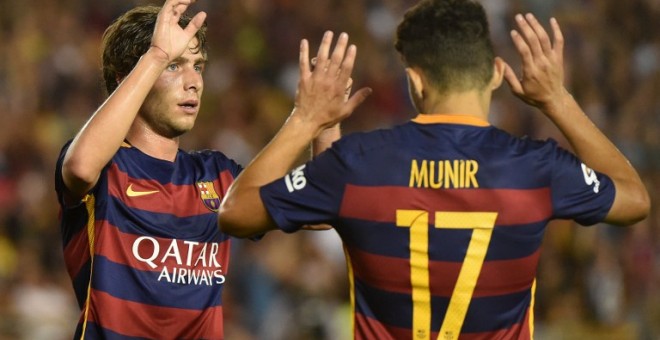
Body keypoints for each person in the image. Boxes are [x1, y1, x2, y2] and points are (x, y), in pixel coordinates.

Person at [217, 0, 651, 339]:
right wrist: (558, 100)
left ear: (416, 81)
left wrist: (307, 119)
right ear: (498, 73)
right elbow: (634, 199)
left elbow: (236, 212)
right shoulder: (536, 167)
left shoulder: (358, 164)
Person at [54, 0, 358, 338]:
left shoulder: (217, 175)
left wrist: (326, 121)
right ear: (128, 77)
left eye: (198, 66)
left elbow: (320, 208)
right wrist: (156, 55)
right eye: (174, 65)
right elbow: (80, 168)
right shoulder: (106, 167)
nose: (193, 81)